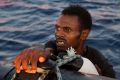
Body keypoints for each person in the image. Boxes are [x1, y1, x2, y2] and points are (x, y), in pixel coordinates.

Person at [12, 5, 115, 78]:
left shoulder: (98, 60)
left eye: (67, 30)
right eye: (57, 28)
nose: (58, 34)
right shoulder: (53, 45)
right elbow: (47, 50)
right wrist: (34, 50)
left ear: (84, 34)